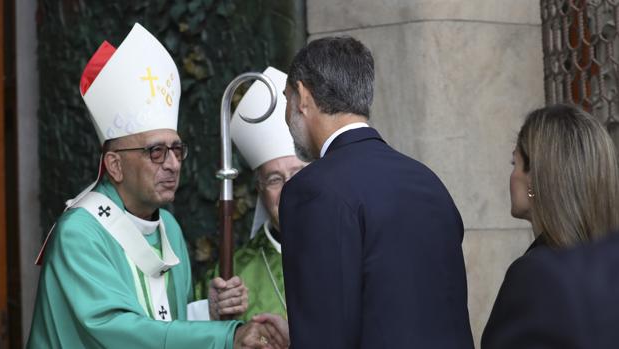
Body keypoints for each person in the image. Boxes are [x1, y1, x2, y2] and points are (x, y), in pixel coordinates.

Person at [28, 23, 287, 349]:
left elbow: (166, 322)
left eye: (177, 149)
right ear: (115, 165)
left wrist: (210, 311)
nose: (173, 163)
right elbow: (116, 331)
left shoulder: (169, 229)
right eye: (156, 151)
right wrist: (227, 337)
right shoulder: (80, 232)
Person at [279, 36, 474, 348]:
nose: (286, 117)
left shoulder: (312, 190)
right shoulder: (428, 182)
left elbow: (324, 333)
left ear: (303, 96)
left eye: (287, 99)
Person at [481, 104, 619, 348]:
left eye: (514, 163)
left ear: (534, 178)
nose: (512, 175)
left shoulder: (539, 277)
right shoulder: (605, 272)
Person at [214, 66, 307, 321]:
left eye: (298, 174)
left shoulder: (352, 248)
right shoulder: (234, 274)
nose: (290, 189)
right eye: (275, 179)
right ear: (260, 190)